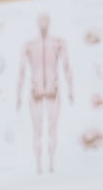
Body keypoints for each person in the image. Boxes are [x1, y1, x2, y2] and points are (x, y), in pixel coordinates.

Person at [16, 12, 73, 173]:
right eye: (40, 20)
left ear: (50, 22)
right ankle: (38, 165)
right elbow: (21, 71)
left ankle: (52, 163)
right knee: (37, 130)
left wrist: (71, 90)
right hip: (35, 93)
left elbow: (67, 67)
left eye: (45, 20)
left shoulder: (58, 43)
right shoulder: (29, 45)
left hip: (53, 92)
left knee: (52, 129)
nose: (43, 23)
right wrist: (18, 95)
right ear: (36, 22)